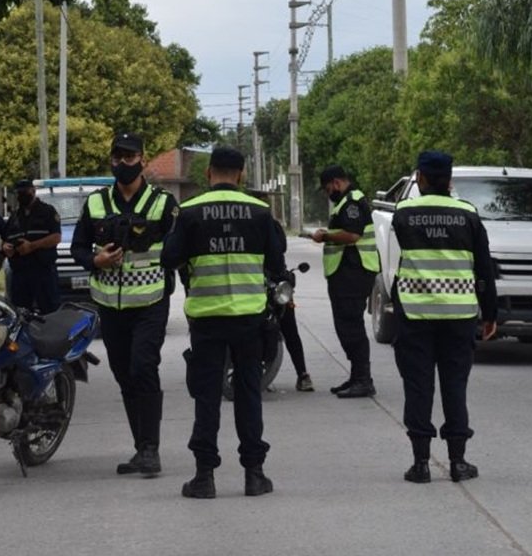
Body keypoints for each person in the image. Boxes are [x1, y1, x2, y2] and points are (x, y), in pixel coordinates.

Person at [161, 146, 286, 499]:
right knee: (248, 394)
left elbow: (169, 257)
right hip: (249, 318)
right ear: (242, 174)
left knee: (207, 395)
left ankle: (204, 477)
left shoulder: (188, 211)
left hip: (207, 318)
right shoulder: (261, 212)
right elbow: (277, 264)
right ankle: (254, 475)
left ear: (208, 173)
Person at [70, 132, 177, 479]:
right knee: (124, 374)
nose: (123, 164)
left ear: (142, 160)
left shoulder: (162, 204)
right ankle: (141, 447)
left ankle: (151, 449)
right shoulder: (97, 203)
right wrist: (96, 260)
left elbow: (179, 251)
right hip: (110, 306)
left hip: (150, 300)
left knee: (143, 365)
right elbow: (78, 248)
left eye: (130, 158)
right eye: (118, 157)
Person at [391, 151, 497, 484]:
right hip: (459, 314)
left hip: (415, 312)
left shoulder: (403, 213)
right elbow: (484, 269)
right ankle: (458, 462)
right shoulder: (468, 214)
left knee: (418, 386)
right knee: (455, 385)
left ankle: (421, 463)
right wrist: (490, 312)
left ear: (420, 178)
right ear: (450, 181)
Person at [310, 164, 380, 398]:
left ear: (336, 183)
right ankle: (356, 376)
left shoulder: (352, 202)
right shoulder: (345, 203)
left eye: (328, 188)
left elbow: (352, 235)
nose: (328, 193)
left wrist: (325, 236)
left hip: (354, 272)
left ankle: (363, 380)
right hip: (345, 274)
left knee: (351, 327)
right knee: (346, 326)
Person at [2, 179, 62, 313]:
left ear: (33, 191)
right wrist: (6, 247)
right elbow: (7, 239)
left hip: (43, 271)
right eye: (19, 193)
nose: (21, 196)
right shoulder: (15, 216)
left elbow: (56, 237)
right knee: (20, 313)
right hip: (20, 273)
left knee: (50, 311)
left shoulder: (47, 211)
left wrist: (32, 246)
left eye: (25, 192)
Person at [272, 219, 312, 391]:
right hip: (252, 282)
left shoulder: (273, 225)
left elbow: (281, 250)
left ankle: (303, 374)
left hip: (276, 283)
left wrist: (287, 277)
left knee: (290, 329)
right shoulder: (248, 225)